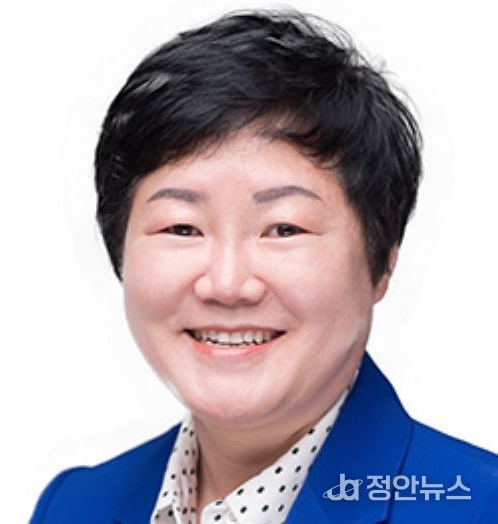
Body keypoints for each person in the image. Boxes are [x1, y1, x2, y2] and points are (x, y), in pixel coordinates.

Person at [30, 9, 498, 523]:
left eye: (283, 229)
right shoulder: (74, 506)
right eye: (182, 228)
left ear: (383, 261)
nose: (227, 284)